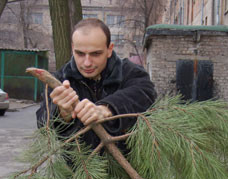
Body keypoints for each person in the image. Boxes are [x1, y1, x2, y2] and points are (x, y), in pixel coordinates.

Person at [36, 18, 156, 151]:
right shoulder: (60, 80)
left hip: (127, 167)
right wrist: (61, 114)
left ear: (109, 49)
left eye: (96, 54)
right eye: (80, 53)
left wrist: (107, 109)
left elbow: (145, 94)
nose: (87, 63)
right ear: (72, 48)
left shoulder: (130, 72)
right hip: (78, 169)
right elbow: (42, 124)